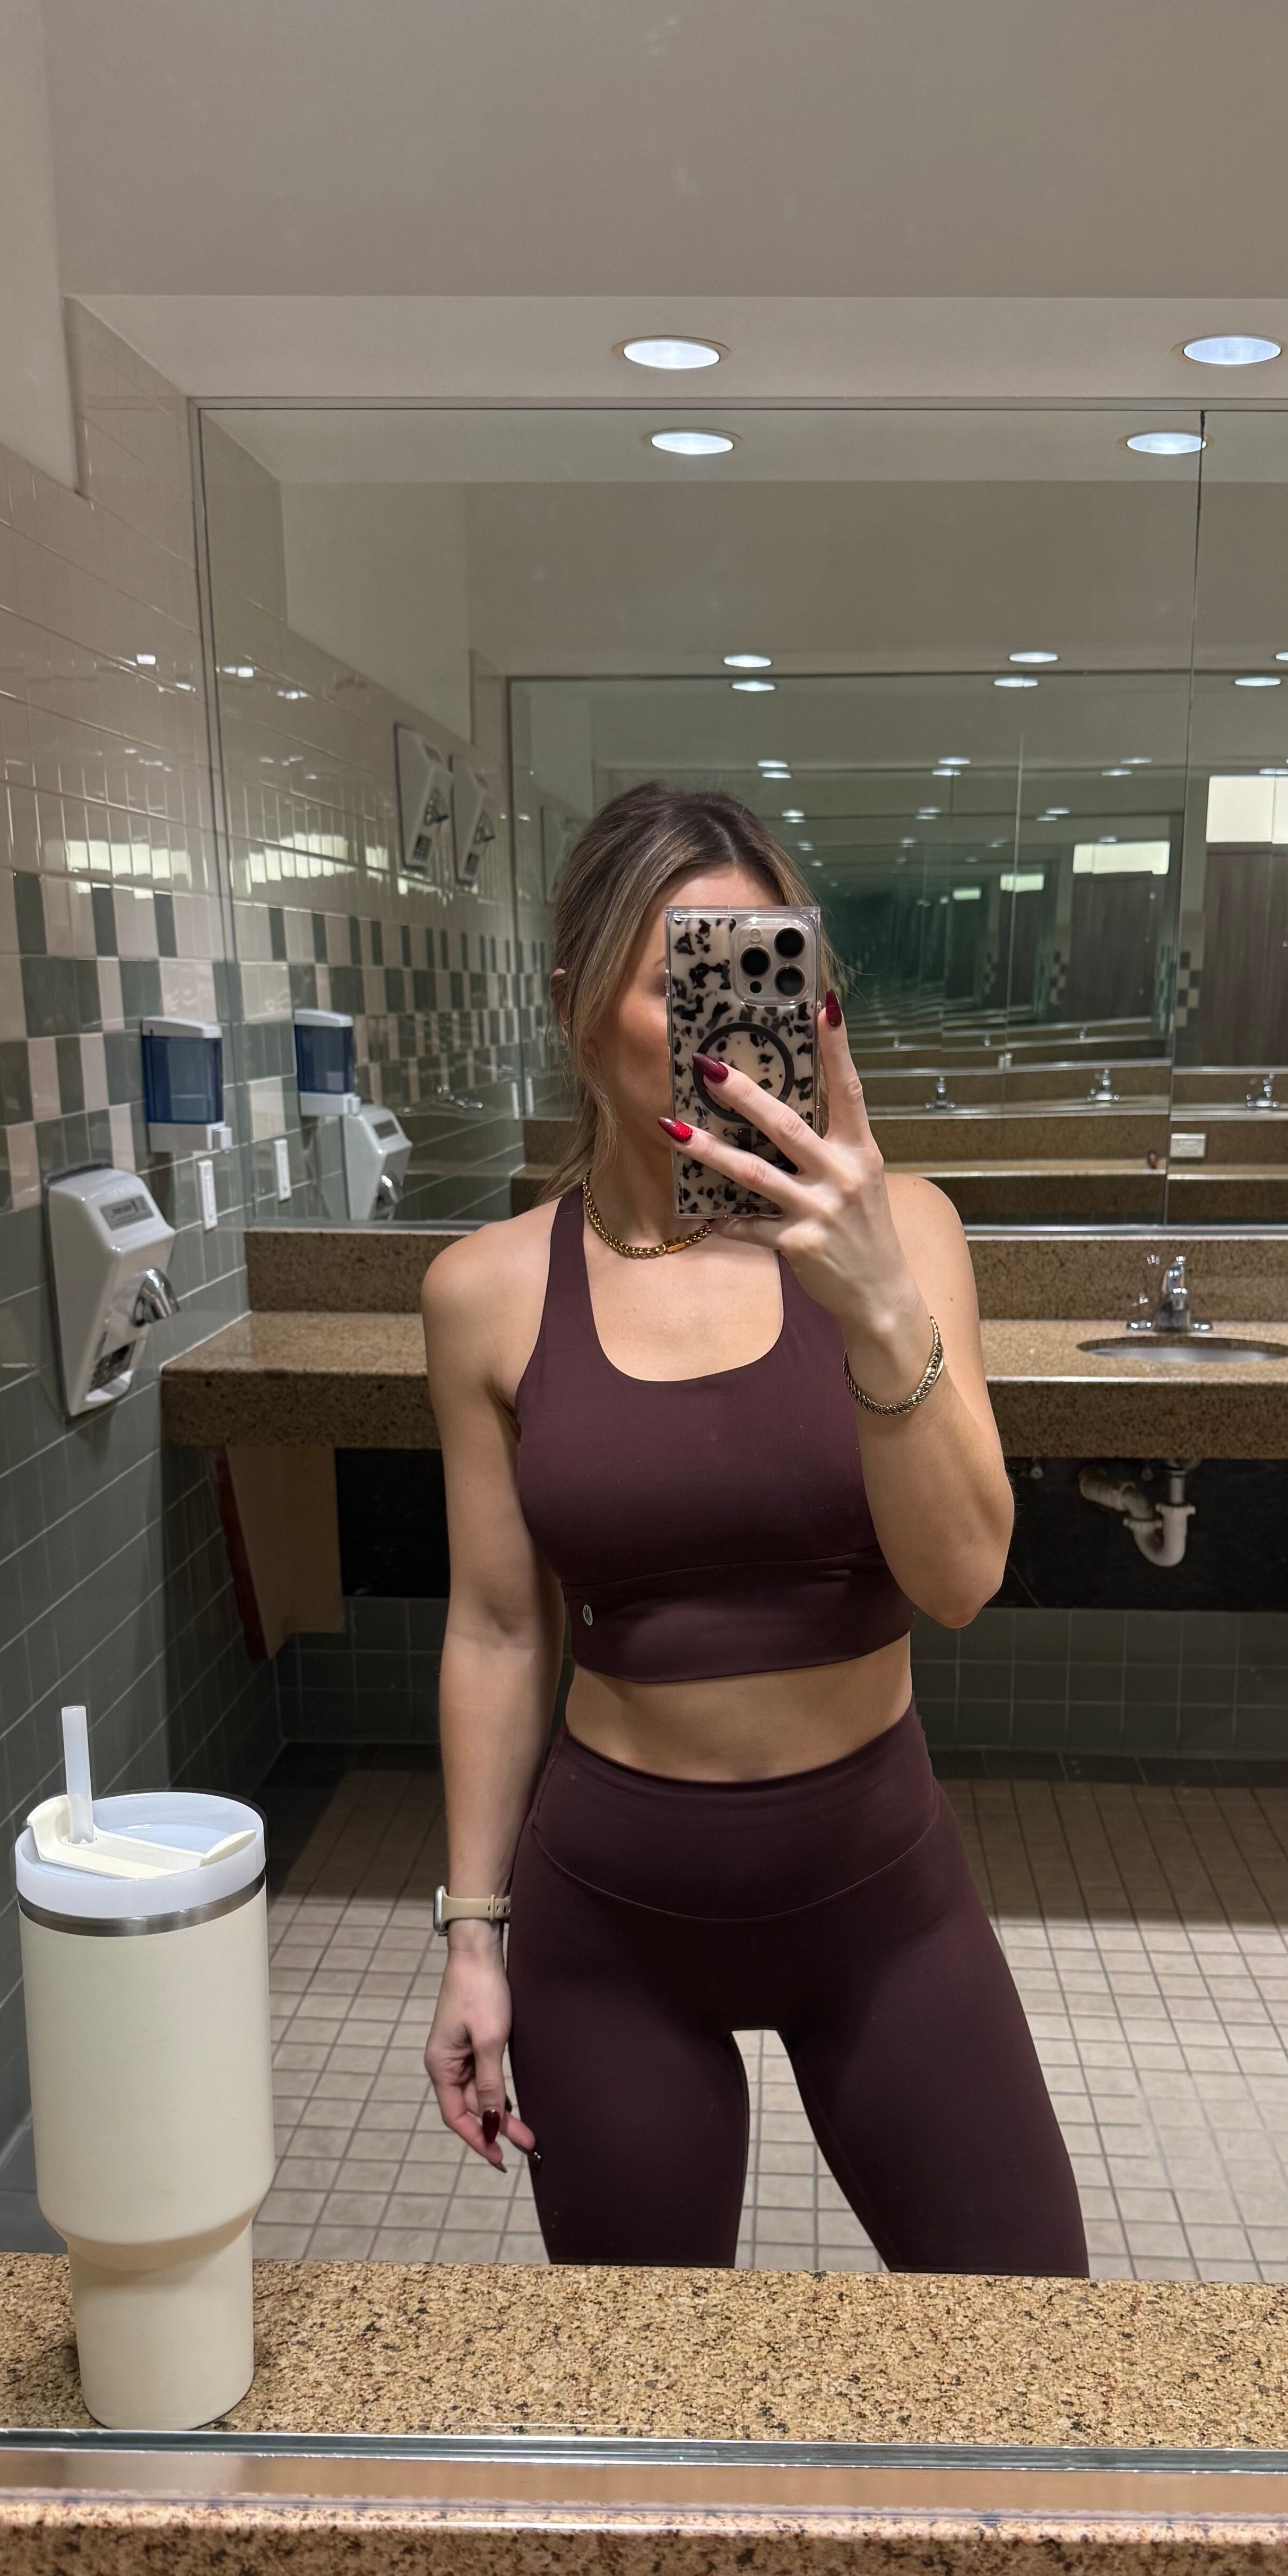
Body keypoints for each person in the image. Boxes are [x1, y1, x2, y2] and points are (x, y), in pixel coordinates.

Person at [419, 782, 1087, 2275]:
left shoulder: (907, 1234)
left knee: (1030, 2335)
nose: (727, 1034)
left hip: (883, 1897)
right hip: (613, 1921)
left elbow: (962, 1580)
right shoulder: (486, 1291)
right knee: (642, 2377)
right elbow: (501, 1627)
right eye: (682, 982)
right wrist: (472, 1936)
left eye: (764, 974)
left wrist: (878, 1302)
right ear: (576, 1007)